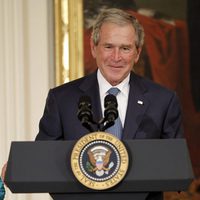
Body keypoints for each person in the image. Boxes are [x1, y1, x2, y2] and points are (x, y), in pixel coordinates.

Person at [2, 8, 183, 200]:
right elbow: (44, 160)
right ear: (93, 47)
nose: (116, 57)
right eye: (108, 46)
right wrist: (21, 166)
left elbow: (177, 166)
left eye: (125, 48)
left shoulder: (163, 100)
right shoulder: (62, 99)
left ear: (137, 53)